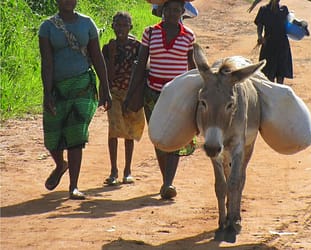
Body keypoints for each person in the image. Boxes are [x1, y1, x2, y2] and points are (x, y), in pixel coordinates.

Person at [39, 0, 111, 200]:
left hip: (83, 85)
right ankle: (60, 164)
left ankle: (74, 186)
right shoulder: (47, 27)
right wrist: (47, 93)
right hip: (57, 88)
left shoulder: (87, 23)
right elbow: (47, 62)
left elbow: (97, 57)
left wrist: (105, 88)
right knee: (52, 138)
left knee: (76, 136)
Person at [123, 0, 196, 200]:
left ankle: (168, 182)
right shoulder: (150, 33)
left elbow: (192, 68)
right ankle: (167, 180)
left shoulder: (189, 36)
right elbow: (141, 65)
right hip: (152, 93)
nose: (173, 14)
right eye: (169, 10)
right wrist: (130, 94)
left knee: (174, 137)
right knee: (159, 137)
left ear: (182, 12)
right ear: (162, 11)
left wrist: (196, 93)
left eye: (177, 10)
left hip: (178, 95)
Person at [102, 12, 145, 186]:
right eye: (117, 25)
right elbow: (108, 76)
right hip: (114, 93)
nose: (121, 29)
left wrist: (136, 96)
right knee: (113, 130)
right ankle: (113, 171)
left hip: (132, 93)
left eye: (124, 25)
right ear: (112, 27)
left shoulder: (137, 47)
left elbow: (141, 72)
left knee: (130, 131)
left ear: (130, 27)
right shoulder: (107, 48)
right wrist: (112, 54)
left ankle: (128, 170)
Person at [254, 0, 293, 84]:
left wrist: (300, 26)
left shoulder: (284, 9)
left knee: (281, 72)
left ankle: (279, 91)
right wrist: (260, 36)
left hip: (282, 44)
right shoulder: (264, 9)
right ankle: (272, 90)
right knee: (269, 72)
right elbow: (260, 25)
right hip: (269, 43)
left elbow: (288, 24)